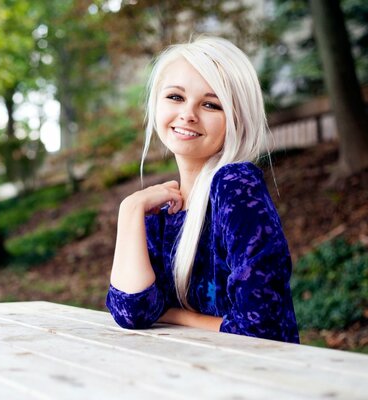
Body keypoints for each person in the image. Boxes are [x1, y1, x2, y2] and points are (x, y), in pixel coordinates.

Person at [106, 36, 299, 343]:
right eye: (175, 97)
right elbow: (131, 311)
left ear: (236, 118)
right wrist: (129, 210)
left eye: (210, 104)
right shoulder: (160, 208)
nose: (188, 114)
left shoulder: (235, 185)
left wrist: (173, 315)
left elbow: (262, 329)